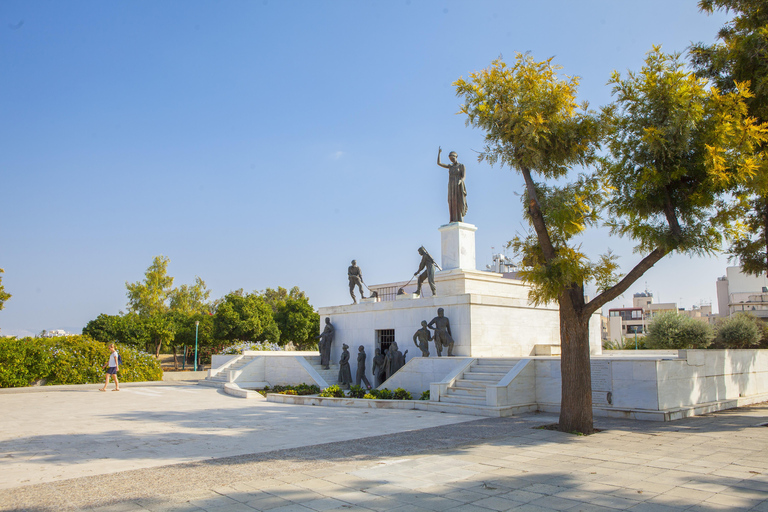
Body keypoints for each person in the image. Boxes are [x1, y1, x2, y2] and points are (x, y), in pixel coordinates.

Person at [437, 146, 467, 223]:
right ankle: (453, 219)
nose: (451, 159)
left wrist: (460, 181)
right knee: (451, 201)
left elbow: (463, 176)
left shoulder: (461, 166)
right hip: (451, 184)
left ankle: (459, 218)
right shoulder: (450, 166)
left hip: (458, 184)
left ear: (456, 157)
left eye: (452, 158)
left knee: (458, 200)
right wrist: (439, 153)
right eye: (450, 158)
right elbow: (439, 163)